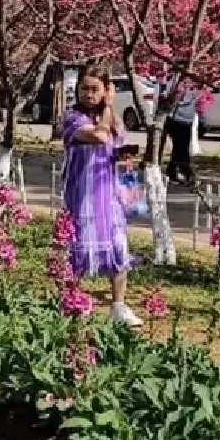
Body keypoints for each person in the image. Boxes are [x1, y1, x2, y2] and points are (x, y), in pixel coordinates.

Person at [62, 68, 141, 327]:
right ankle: (72, 301)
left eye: (95, 89)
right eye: (84, 88)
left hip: (108, 196)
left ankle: (118, 305)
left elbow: (115, 140)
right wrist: (109, 105)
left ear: (105, 89)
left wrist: (122, 155)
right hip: (82, 196)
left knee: (119, 248)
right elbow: (98, 137)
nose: (89, 94)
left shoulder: (110, 118)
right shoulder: (72, 118)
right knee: (79, 250)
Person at [159, 71, 207, 185]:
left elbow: (199, 104)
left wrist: (202, 121)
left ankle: (172, 171)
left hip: (187, 121)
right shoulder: (175, 84)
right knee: (182, 148)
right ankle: (187, 173)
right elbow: (169, 99)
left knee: (179, 147)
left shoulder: (195, 87)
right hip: (176, 120)